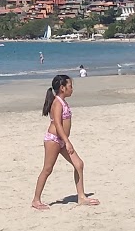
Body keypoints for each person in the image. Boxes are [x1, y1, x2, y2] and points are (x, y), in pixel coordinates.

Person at [32, 73, 96, 210]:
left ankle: (81, 197)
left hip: (62, 140)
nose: (72, 89)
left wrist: (65, 141)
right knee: (47, 169)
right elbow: (57, 124)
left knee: (79, 164)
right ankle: (36, 200)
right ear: (62, 88)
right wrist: (67, 142)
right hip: (54, 140)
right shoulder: (57, 103)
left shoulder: (63, 102)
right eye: (70, 86)